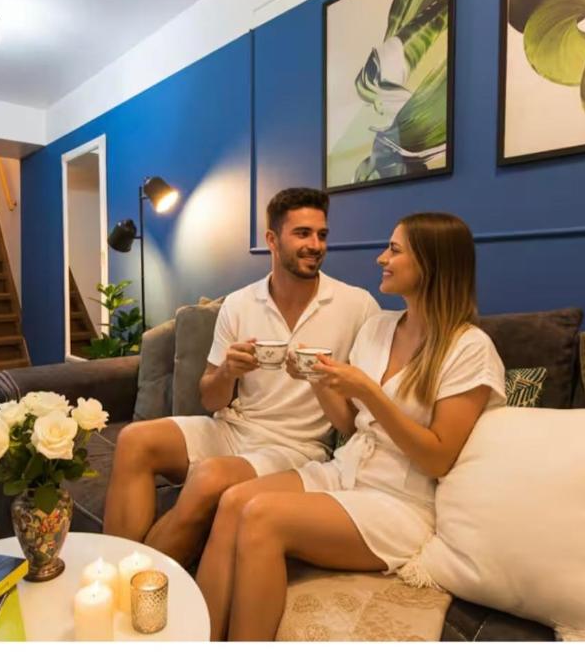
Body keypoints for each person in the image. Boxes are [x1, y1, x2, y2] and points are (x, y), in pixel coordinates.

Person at [195, 212, 507, 641]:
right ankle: (198, 640)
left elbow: (438, 459)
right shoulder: (378, 328)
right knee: (233, 500)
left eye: (394, 250)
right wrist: (317, 379)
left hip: (401, 502)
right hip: (346, 471)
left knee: (261, 517)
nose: (382, 258)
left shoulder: (469, 348)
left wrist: (371, 393)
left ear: (430, 263)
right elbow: (349, 423)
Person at [102, 188, 380, 567]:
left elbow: (358, 421)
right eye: (302, 234)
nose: (315, 245)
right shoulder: (239, 303)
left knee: (210, 477)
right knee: (134, 439)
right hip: (231, 428)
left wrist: (321, 379)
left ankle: (131, 581)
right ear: (272, 240)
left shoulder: (357, 306)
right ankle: (112, 567)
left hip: (296, 447)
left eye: (322, 234)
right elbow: (210, 399)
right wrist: (227, 372)